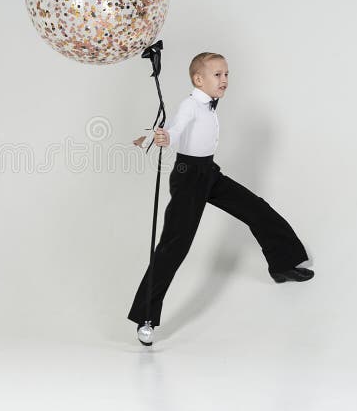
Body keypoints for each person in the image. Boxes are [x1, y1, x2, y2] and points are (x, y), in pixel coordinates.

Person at [129, 52, 313, 345]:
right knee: (174, 247)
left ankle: (282, 264)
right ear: (198, 79)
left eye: (226, 74)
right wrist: (161, 138)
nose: (224, 80)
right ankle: (145, 317)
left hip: (207, 173)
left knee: (256, 209)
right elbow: (174, 129)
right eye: (218, 75)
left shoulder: (210, 106)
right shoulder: (190, 105)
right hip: (189, 178)